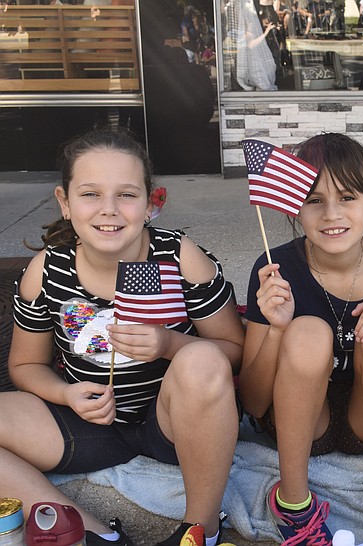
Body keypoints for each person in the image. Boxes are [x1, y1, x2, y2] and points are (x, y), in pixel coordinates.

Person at [2, 129, 245, 546]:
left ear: (152, 203)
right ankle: (93, 534)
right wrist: (66, 395)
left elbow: (235, 352)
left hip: (173, 425)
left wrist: (169, 344)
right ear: (64, 202)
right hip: (91, 423)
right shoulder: (46, 272)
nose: (109, 210)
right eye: (90, 194)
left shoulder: (179, 257)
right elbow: (25, 365)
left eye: (127, 195)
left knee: (201, 359)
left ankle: (199, 530)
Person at [240, 133, 363, 545]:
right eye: (314, 200)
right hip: (301, 425)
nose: (331, 214)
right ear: (296, 206)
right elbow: (255, 402)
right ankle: (292, 503)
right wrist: (278, 329)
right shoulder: (276, 270)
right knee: (309, 331)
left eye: (347, 197)